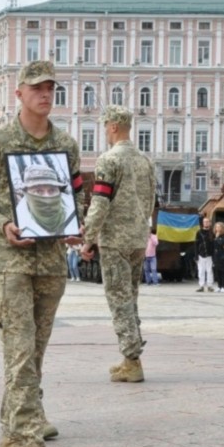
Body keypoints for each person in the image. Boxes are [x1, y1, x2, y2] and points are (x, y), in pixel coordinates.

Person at [0, 60, 83, 447]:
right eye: (36, 88)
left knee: (33, 356)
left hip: (51, 264)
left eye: (51, 88)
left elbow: (75, 195)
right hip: (12, 264)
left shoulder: (66, 146)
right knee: (20, 353)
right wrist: (0, 223)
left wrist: (74, 224)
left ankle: (12, 430)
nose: (45, 95)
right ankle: (23, 439)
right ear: (19, 94)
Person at [81, 105, 157, 384]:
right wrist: (142, 228)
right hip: (138, 237)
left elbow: (100, 202)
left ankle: (132, 360)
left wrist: (88, 238)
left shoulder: (108, 160)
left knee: (119, 301)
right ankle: (129, 357)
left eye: (104, 126)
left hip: (115, 239)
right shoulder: (144, 161)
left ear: (112, 126)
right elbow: (151, 201)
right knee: (131, 298)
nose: (104, 131)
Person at [14, 164, 79, 238]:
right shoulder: (17, 225)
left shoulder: (75, 213)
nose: (47, 198)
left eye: (52, 190)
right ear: (26, 193)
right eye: (38, 191)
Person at [195, 217, 215, 293]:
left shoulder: (212, 233)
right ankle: (201, 286)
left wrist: (214, 256)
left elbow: (213, 245)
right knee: (201, 271)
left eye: (207, 222)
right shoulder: (199, 232)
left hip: (209, 255)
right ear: (202, 223)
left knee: (209, 271)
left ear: (210, 223)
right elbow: (196, 244)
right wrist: (196, 255)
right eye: (205, 222)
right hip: (201, 255)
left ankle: (210, 286)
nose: (206, 223)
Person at [213, 222, 224, 293]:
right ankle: (219, 286)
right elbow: (214, 245)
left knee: (223, 272)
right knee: (218, 272)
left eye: (219, 227)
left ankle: (223, 286)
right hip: (217, 256)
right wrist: (217, 239)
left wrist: (218, 239)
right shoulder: (216, 236)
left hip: (223, 256)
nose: (218, 228)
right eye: (216, 227)